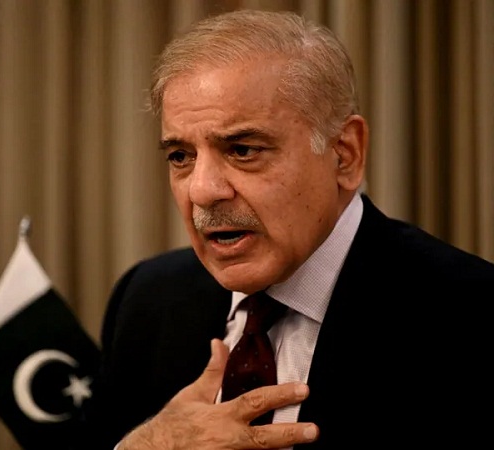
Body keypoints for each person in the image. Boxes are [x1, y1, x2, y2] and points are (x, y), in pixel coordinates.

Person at [91, 9, 494, 449]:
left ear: (345, 154)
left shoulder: (471, 315)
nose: (202, 191)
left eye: (243, 149)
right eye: (180, 157)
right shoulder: (146, 300)